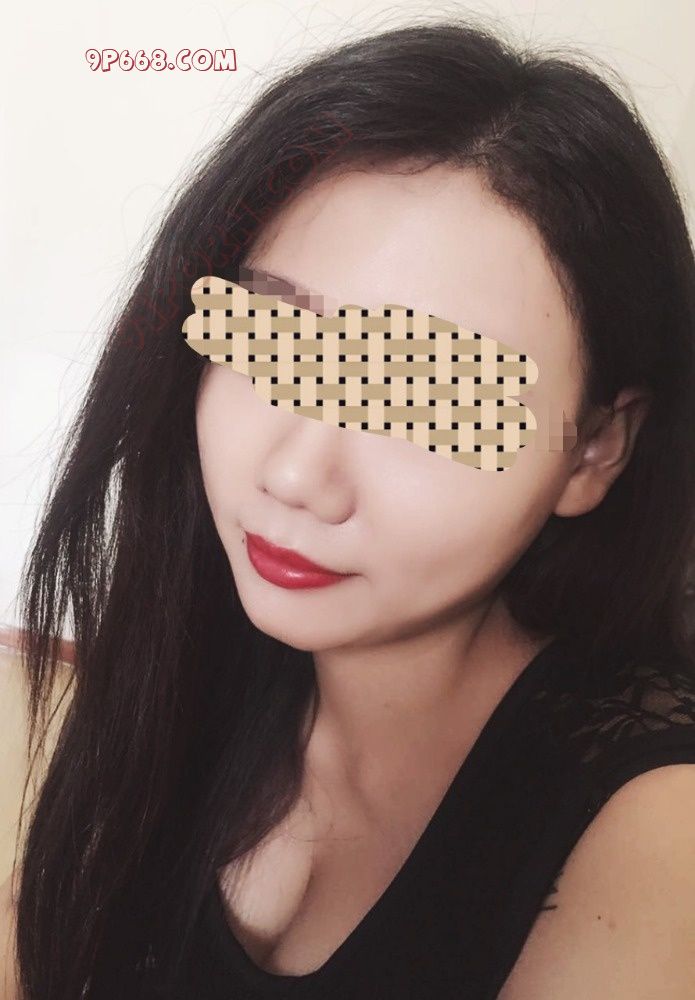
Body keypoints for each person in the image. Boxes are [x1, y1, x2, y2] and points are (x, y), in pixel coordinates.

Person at [3, 16, 695, 1000]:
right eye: (270, 341)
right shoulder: (192, 654)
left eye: (428, 394)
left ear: (593, 448)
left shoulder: (652, 836)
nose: (295, 474)